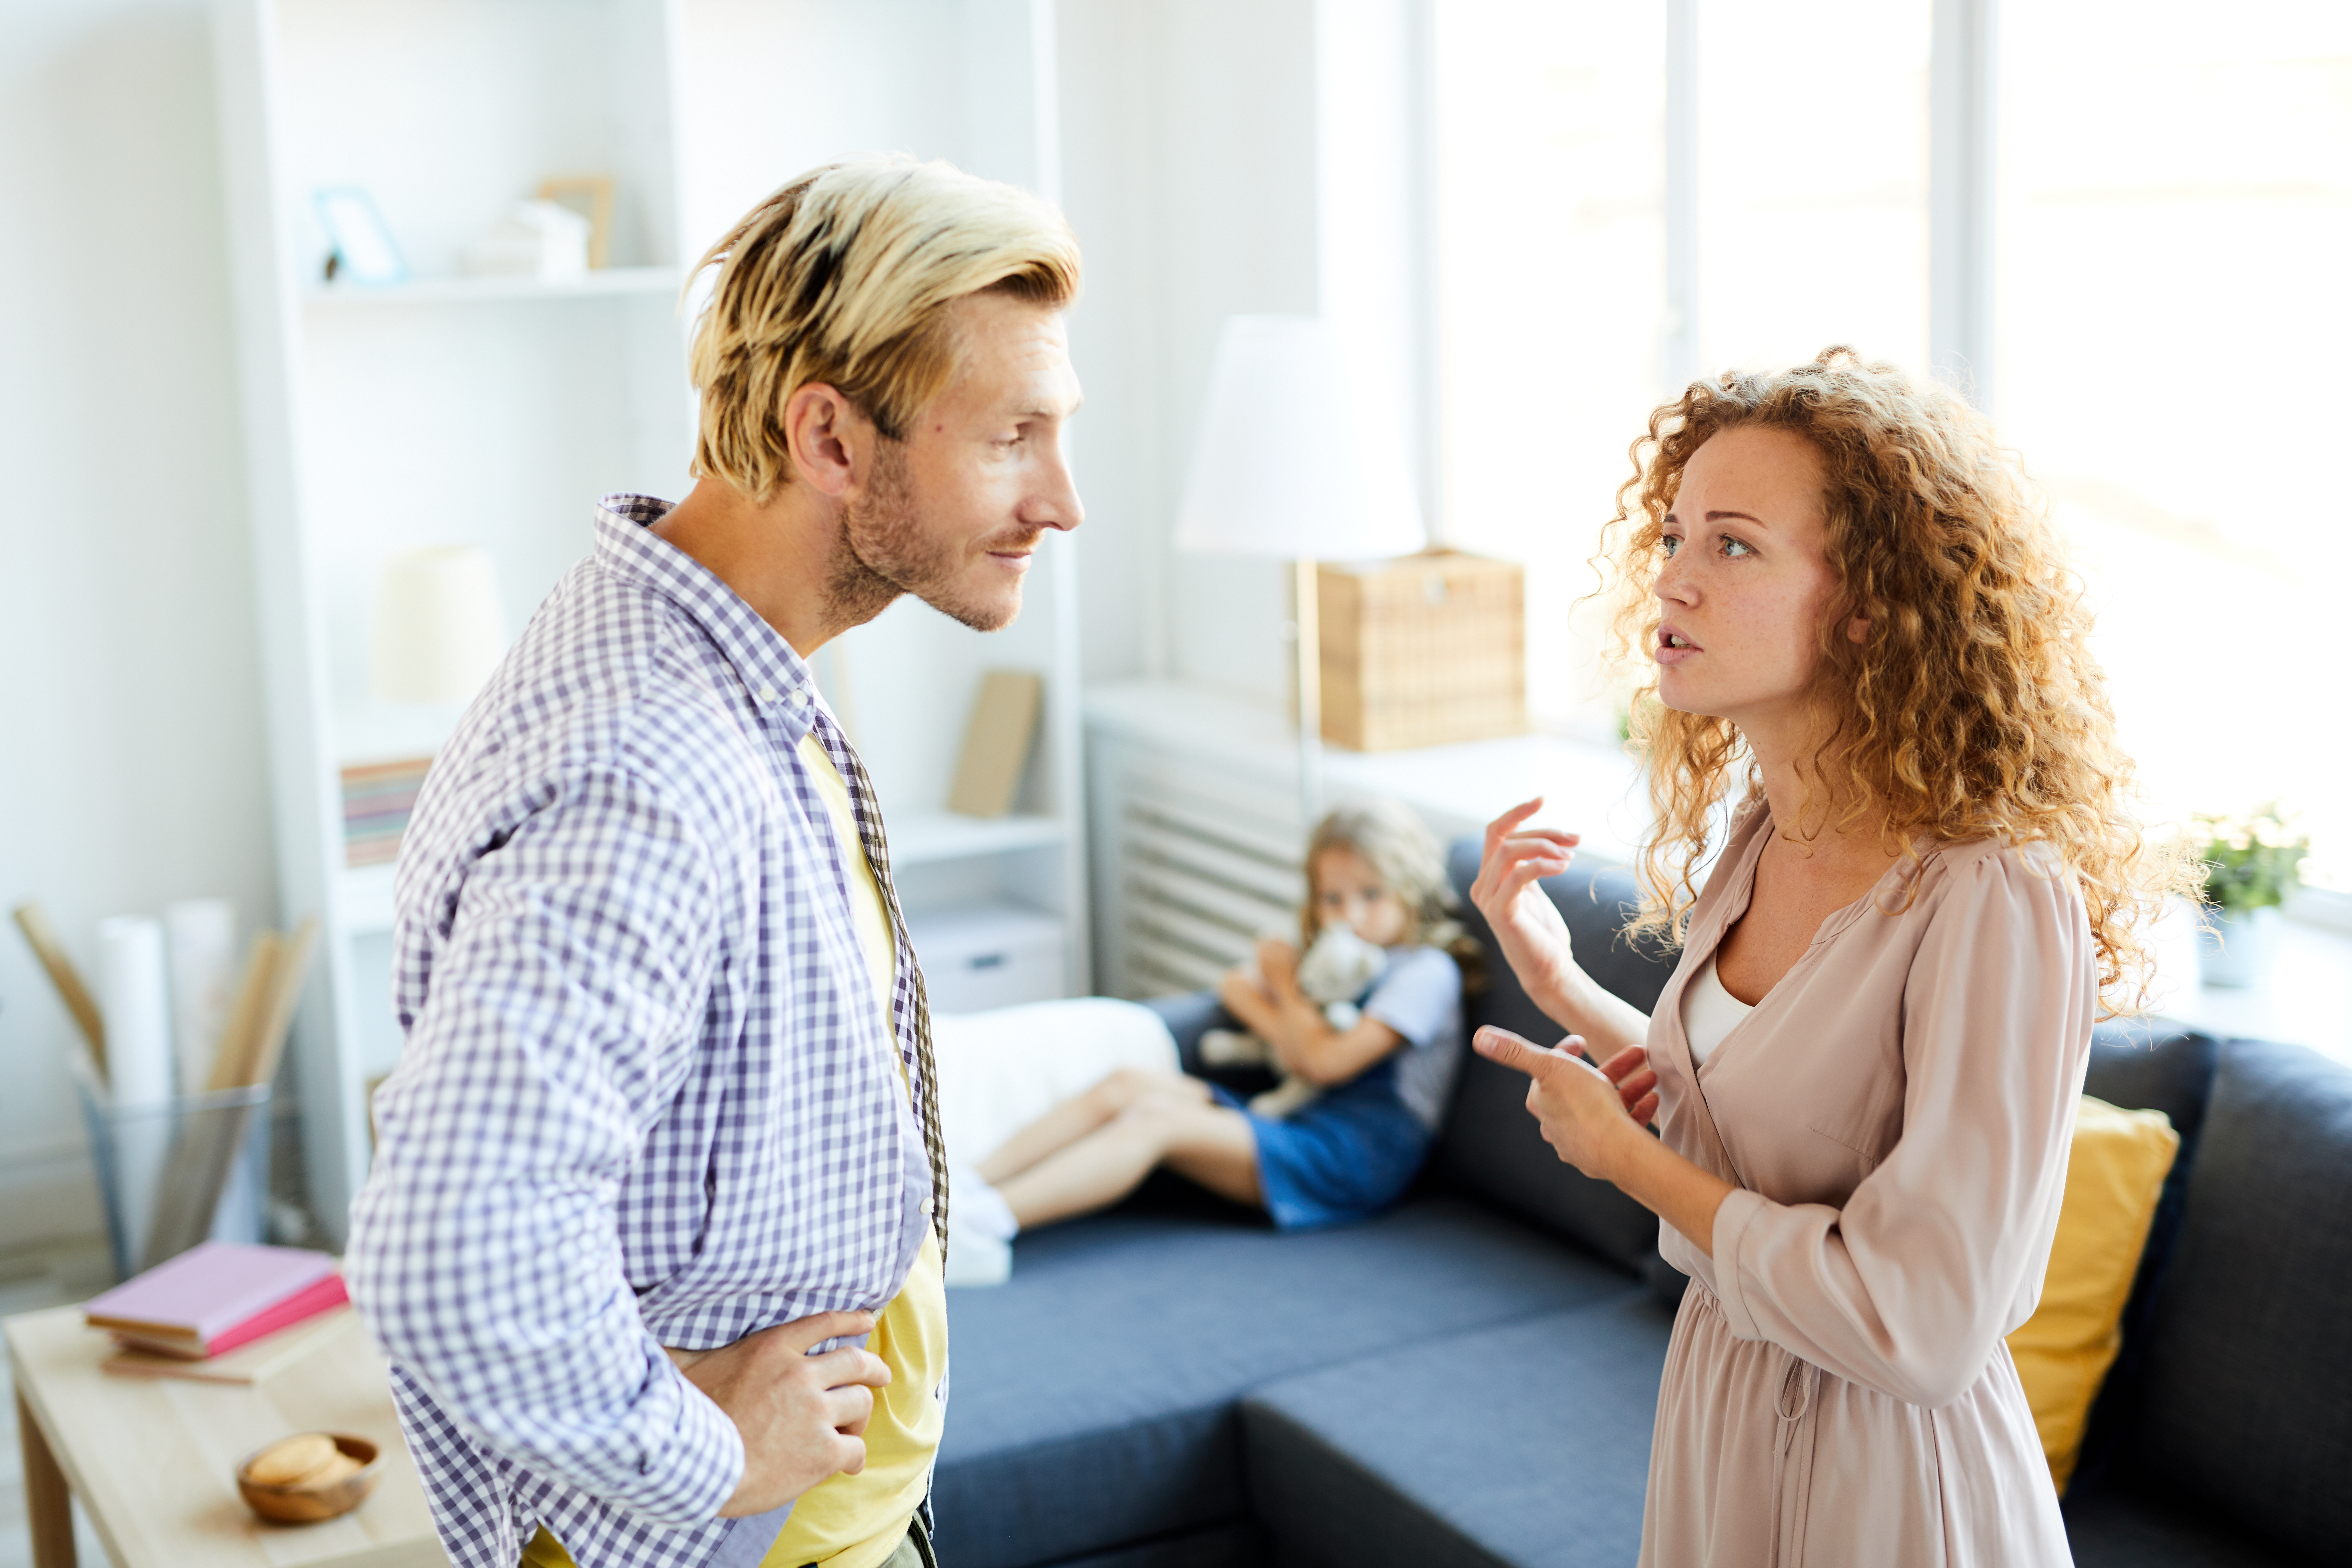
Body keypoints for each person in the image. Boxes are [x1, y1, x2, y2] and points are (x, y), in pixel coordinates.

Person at [345, 157, 1083, 1568]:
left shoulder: (713, 650)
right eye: (1014, 436)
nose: (1063, 498)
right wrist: (709, 1450)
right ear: (830, 437)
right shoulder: (649, 768)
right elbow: (449, 1243)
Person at [1468, 348, 2190, 1565]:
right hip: (1722, 1424)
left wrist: (1624, 1163)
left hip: (1893, 1488)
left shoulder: (1992, 896)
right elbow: (1753, 1117)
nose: (1674, 583)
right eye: (1677, 535)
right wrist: (1559, 985)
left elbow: (1922, 1322)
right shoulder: (1764, 832)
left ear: (1871, 602)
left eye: (1733, 545)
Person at [965, 798, 1469, 1236]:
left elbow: (1324, 1064)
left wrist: (1289, 994)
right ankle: (966, 1187)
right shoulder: (1339, 962)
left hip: (1358, 1156)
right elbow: (1237, 990)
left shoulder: (1427, 973)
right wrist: (1293, 1030)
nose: (1349, 917)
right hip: (1301, 1116)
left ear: (1410, 887)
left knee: (1155, 1122)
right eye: (1332, 899)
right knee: (1129, 1084)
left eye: (1371, 895)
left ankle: (988, 1223)